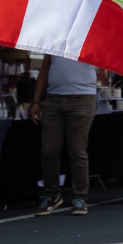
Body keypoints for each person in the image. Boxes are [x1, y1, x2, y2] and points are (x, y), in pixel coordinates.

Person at [33, 53, 105, 215]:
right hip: (53, 98)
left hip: (83, 97)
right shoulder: (55, 37)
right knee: (48, 150)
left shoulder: (91, 35)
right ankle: (51, 195)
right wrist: (36, 101)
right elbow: (45, 69)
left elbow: (102, 69)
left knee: (77, 150)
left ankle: (79, 197)